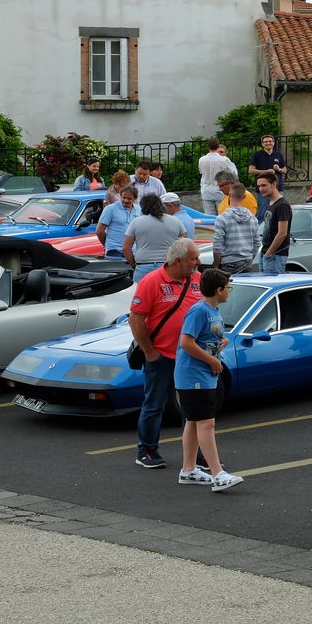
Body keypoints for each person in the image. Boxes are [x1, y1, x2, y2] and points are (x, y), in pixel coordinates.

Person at [130, 238, 203, 469]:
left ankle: (197, 455)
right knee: (154, 404)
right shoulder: (151, 282)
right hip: (162, 356)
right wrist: (149, 351)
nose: (198, 262)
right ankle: (147, 451)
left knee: (192, 408)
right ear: (178, 260)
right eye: (193, 259)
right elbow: (136, 319)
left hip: (190, 357)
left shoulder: (198, 280)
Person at [175, 268, 244, 492]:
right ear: (218, 290)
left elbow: (210, 336)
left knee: (194, 421)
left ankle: (188, 469)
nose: (229, 292)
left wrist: (221, 341)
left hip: (203, 374)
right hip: (194, 375)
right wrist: (212, 361)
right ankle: (217, 474)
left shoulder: (213, 311)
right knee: (206, 422)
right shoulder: (199, 311)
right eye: (228, 288)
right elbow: (186, 341)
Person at [124, 194, 188, 282]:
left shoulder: (136, 222)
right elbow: (185, 246)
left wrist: (134, 265)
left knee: (141, 294)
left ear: (143, 207)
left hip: (143, 266)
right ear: (160, 205)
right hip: (168, 266)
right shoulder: (176, 221)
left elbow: (126, 248)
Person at [212, 183, 261, 274]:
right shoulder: (252, 218)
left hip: (228, 262)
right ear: (244, 196)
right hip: (247, 261)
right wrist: (250, 257)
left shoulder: (222, 218)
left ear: (229, 195)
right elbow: (257, 243)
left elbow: (217, 245)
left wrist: (216, 265)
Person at [257, 171, 292, 274]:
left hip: (276, 255)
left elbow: (282, 233)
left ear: (273, 184)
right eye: (259, 186)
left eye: (264, 185)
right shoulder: (271, 202)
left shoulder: (282, 205)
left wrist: (269, 253)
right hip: (266, 252)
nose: (261, 189)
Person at [248, 134, 286, 222]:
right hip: (263, 189)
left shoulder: (278, 154)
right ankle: (260, 234)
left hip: (278, 188)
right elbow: (251, 170)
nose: (268, 143)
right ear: (262, 144)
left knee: (278, 212)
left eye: (270, 141)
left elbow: (284, 170)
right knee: (263, 213)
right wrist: (266, 171)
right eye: (265, 142)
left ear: (273, 143)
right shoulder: (257, 155)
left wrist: (279, 169)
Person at [96, 185, 140, 258]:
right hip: (114, 251)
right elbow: (99, 231)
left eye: (129, 198)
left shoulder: (139, 209)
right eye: (124, 198)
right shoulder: (110, 209)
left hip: (133, 251)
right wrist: (108, 245)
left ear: (135, 198)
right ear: (120, 196)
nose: (126, 200)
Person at [199, 138, 236, 215]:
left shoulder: (201, 160)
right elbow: (234, 174)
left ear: (208, 147)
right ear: (218, 146)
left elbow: (201, 172)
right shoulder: (224, 159)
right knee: (223, 215)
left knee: (209, 217)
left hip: (206, 191)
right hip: (221, 191)